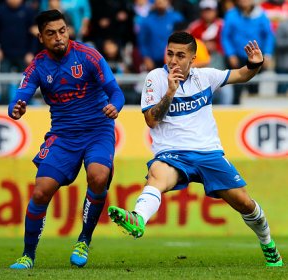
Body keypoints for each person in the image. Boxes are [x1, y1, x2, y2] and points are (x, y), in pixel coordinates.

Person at [108, 31, 283, 267]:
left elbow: (242, 74)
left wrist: (255, 63)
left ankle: (268, 243)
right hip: (172, 154)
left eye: (180, 55)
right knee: (157, 175)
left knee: (245, 203)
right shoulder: (155, 78)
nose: (173, 60)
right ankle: (138, 219)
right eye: (170, 53)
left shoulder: (206, 77)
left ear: (192, 59)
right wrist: (170, 92)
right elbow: (151, 120)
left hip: (208, 152)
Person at [8, 9, 125, 269]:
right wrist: (17, 107)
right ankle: (28, 255)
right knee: (40, 192)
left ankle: (84, 239)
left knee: (97, 176)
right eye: (51, 33)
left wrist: (115, 106)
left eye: (62, 31)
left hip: (98, 130)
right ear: (41, 37)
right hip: (63, 135)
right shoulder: (38, 65)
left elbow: (115, 92)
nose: (59, 37)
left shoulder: (89, 56)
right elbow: (20, 95)